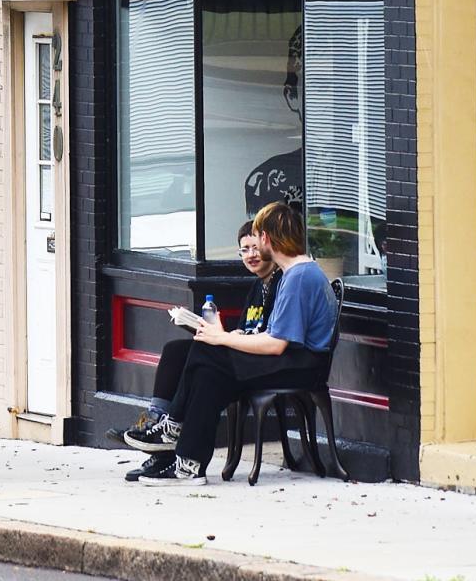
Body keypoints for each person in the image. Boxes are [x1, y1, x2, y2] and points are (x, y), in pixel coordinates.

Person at [126, 201, 337, 482]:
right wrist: (225, 338)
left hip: (302, 365)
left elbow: (276, 344)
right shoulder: (297, 273)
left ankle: (173, 428)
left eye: (258, 236)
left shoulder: (298, 277)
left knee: (207, 352)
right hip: (296, 360)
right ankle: (188, 464)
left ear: (266, 238)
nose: (254, 247)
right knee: (209, 372)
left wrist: (223, 338)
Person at [122, 220, 281, 482]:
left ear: (269, 245)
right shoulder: (257, 287)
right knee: (176, 350)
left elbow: (270, 337)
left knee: (205, 365)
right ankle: (159, 425)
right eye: (244, 249)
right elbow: (246, 332)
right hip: (247, 357)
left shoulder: (280, 282)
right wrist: (223, 332)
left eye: (255, 247)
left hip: (260, 364)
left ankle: (176, 446)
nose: (251, 255)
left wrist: (222, 337)